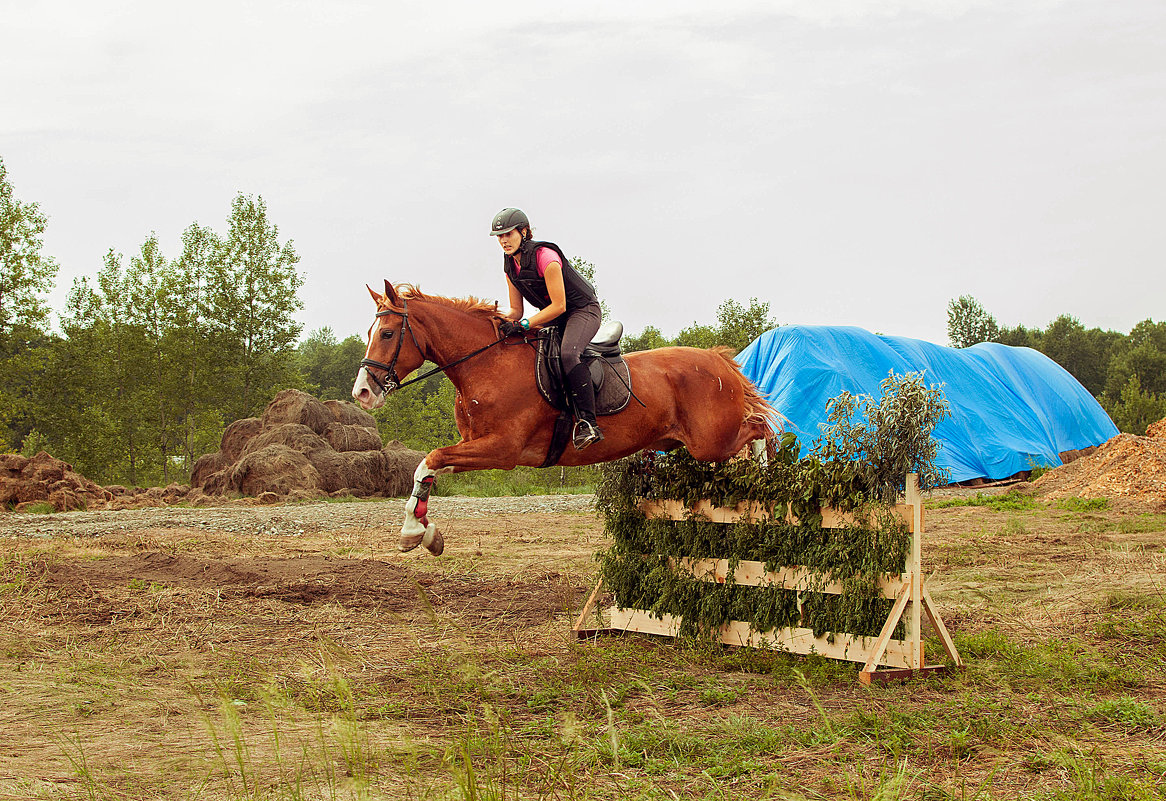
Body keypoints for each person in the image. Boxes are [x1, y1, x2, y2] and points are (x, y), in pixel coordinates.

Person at [490, 207, 604, 450]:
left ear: (524, 232)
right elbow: (515, 312)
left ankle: (588, 423)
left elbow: (560, 305)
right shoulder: (510, 265)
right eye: (499, 236)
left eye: (508, 234)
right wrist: (492, 318)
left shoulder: (545, 257)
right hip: (555, 316)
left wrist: (523, 324)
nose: (503, 240)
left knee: (568, 354)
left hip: (582, 310)